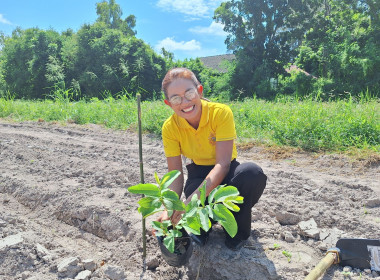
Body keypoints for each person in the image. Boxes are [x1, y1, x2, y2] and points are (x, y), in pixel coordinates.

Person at [157, 67, 267, 250]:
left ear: (199, 91)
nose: (185, 102)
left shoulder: (220, 113)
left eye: (189, 93)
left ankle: (236, 234)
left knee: (251, 173)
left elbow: (222, 164)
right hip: (198, 172)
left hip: (226, 169)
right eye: (176, 98)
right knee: (194, 191)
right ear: (169, 104)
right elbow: (175, 172)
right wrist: (171, 206)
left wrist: (190, 202)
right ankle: (202, 229)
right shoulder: (170, 127)